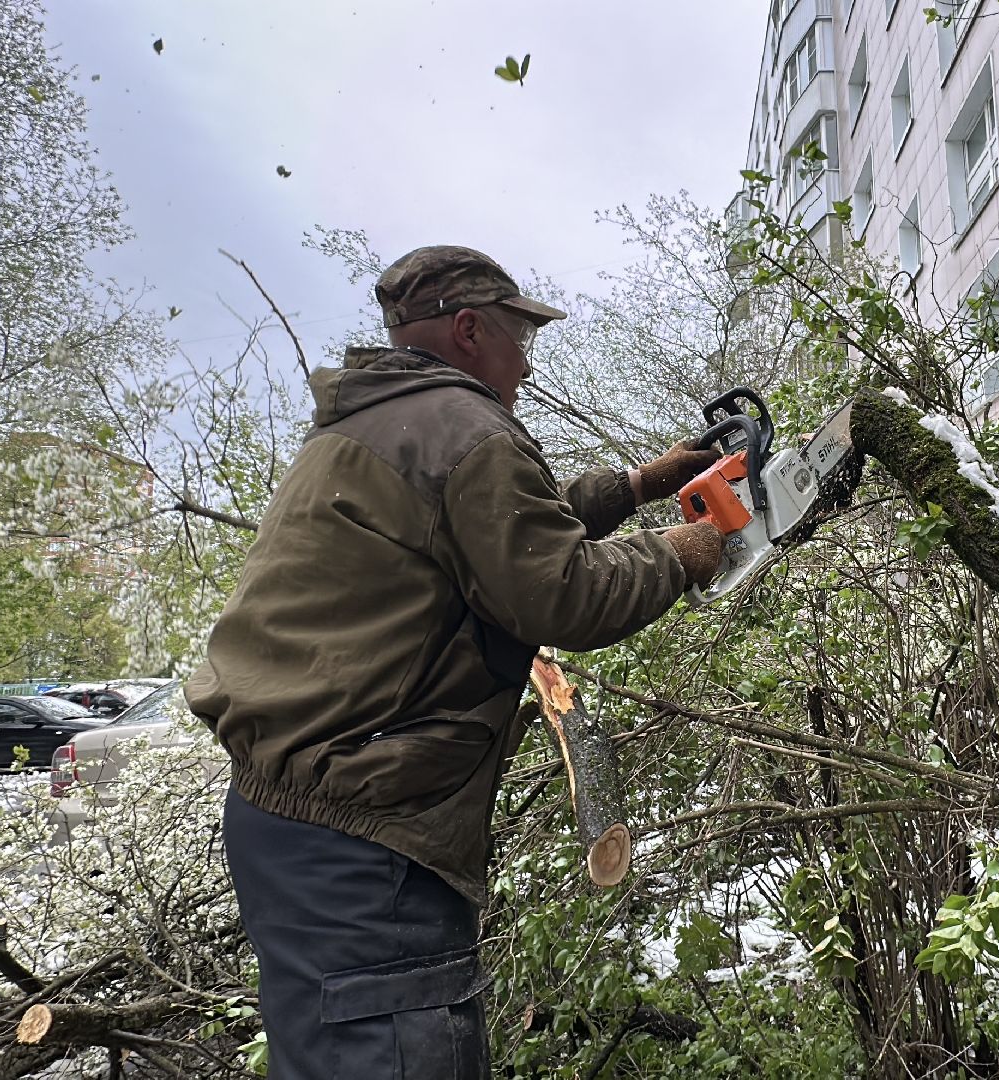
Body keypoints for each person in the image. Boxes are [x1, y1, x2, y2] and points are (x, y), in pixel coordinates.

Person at [186, 245, 724, 1079]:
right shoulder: (467, 431)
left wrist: (634, 486)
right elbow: (561, 595)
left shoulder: (376, 422)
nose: (528, 363)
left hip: (287, 818)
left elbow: (491, 532)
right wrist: (684, 551)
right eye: (522, 337)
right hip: (363, 839)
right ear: (471, 329)